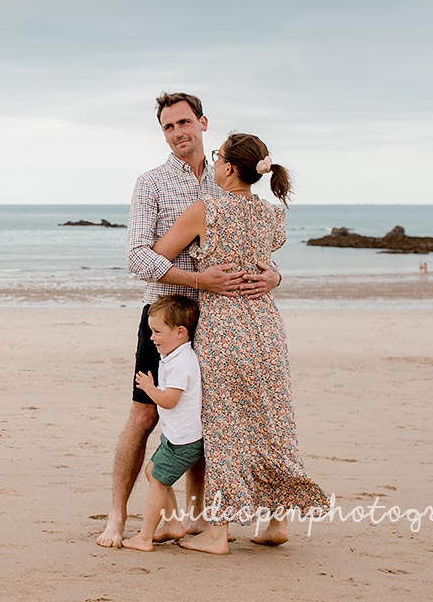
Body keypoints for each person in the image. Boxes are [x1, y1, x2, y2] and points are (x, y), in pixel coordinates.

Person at [96, 92, 282, 549]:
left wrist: (275, 276)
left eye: (183, 123)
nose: (177, 133)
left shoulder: (229, 178)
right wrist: (199, 279)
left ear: (202, 123)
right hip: (164, 316)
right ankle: (117, 518)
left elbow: (256, 250)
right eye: (167, 127)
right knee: (143, 416)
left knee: (209, 418)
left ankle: (196, 521)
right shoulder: (152, 183)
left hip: (220, 321)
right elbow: (138, 258)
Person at [152, 132, 328, 555]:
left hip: (225, 325)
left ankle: (217, 534)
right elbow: (269, 261)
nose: (214, 163)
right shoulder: (272, 216)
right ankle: (275, 520)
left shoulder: (204, 210)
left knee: (224, 428)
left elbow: (158, 256)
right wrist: (273, 276)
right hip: (265, 326)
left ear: (229, 167)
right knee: (272, 420)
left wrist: (198, 272)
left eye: (217, 157)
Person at [121, 295, 204, 552]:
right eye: (151, 331)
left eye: (157, 332)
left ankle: (145, 537)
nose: (152, 338)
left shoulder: (182, 362)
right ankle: (173, 525)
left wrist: (149, 388)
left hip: (184, 441)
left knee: (158, 481)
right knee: (152, 472)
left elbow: (169, 400)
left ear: (180, 333)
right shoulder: (174, 354)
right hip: (175, 437)